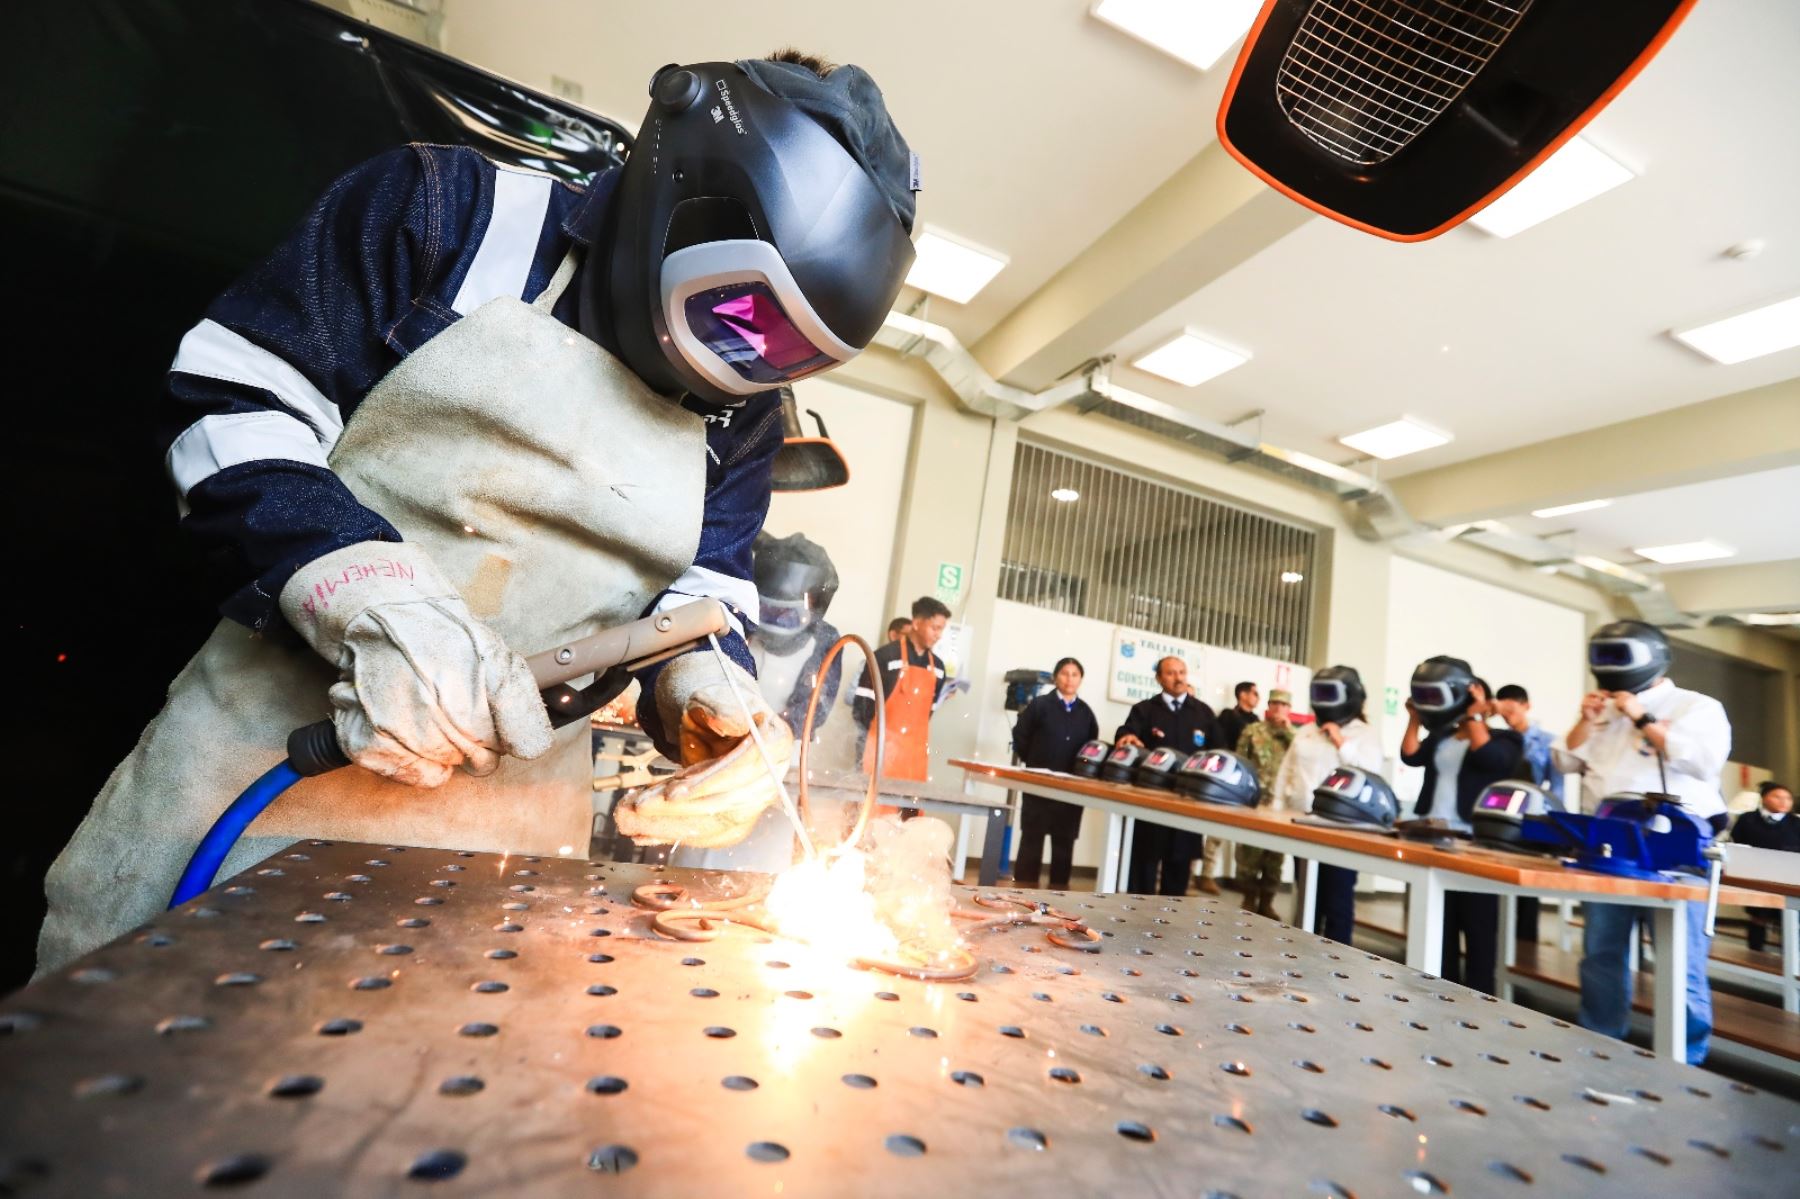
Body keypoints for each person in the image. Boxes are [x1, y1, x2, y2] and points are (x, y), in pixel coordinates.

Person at [35, 51, 920, 974]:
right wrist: (373, 597)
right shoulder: (448, 213)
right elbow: (232, 396)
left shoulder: (743, 415)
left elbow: (706, 591)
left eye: (788, 357)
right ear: (686, 184)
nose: (745, 363)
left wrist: (711, 694)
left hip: (505, 860)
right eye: (742, 309)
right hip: (253, 790)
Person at [1566, 620, 1730, 1065]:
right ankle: (1600, 1043)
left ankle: (1686, 1058)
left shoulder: (1697, 706)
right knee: (1601, 952)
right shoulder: (1605, 710)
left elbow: (1703, 762)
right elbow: (1568, 758)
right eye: (1603, 656)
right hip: (1608, 846)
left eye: (1618, 656)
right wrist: (1588, 720)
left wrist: (1642, 717)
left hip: (1677, 850)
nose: (1608, 666)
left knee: (1681, 961)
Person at [1400, 661, 1522, 994]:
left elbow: (1489, 760)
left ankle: (1480, 996)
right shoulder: (1442, 736)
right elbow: (1410, 756)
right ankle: (1440, 990)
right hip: (1434, 835)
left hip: (1476, 842)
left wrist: (1475, 714)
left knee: (1479, 926)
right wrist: (1414, 718)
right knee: (1439, 923)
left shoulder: (1506, 739)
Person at [1276, 666, 1384, 942]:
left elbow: (1369, 773)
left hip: (1343, 830)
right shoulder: (1306, 731)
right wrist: (1276, 807)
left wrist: (1340, 739)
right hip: (1303, 822)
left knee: (1337, 897)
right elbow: (1287, 769)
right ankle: (1304, 953)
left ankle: (1337, 961)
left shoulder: (1365, 734)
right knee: (1307, 896)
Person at [1115, 656, 1223, 896]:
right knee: (1143, 871)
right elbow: (1127, 732)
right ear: (1159, 678)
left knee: (1178, 875)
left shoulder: (1203, 713)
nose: (1178, 678)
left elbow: (1219, 751)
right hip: (1150, 803)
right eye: (1171, 673)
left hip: (1187, 804)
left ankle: (1169, 929)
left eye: (1182, 672)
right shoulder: (1145, 709)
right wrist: (1126, 737)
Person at [1010, 658, 1099, 890]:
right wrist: (1036, 761)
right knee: (1032, 838)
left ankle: (1060, 896)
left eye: (1075, 674)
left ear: (1081, 679)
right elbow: (1020, 736)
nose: (1069, 679)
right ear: (1055, 677)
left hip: (1070, 788)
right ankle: (1023, 893)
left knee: (1064, 843)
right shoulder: (1040, 705)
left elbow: (1093, 746)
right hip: (1039, 783)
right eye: (1064, 673)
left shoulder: (1086, 712)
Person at [748, 532, 842, 738]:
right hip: (729, 739)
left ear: (811, 608)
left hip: (787, 752)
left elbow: (815, 708)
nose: (775, 620)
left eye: (785, 614)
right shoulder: (740, 621)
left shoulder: (826, 640)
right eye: (766, 610)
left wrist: (777, 730)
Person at [854, 596, 951, 780]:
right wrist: (881, 742)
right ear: (916, 623)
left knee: (909, 807)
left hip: (914, 755)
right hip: (880, 750)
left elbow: (928, 712)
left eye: (941, 629)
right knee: (872, 806)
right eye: (935, 628)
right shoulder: (884, 657)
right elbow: (862, 708)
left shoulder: (938, 668)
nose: (938, 635)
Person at [1493, 683, 1561, 943]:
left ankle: (1525, 943)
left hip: (1532, 816)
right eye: (1503, 711)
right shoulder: (1498, 739)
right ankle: (1500, 940)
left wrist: (1554, 823)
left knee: (1527, 888)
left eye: (1512, 709)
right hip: (1499, 812)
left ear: (1526, 706)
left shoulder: (1547, 741)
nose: (1508, 716)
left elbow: (1556, 787)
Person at [1234, 689, 1294, 917]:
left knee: (1275, 858)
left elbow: (1303, 761)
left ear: (1289, 709)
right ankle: (1248, 898)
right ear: (1268, 707)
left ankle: (1267, 901)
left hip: (1282, 806)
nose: (1279, 708)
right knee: (1249, 853)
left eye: (1284, 705)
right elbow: (1240, 762)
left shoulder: (1295, 737)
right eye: (1275, 704)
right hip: (1255, 802)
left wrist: (1288, 732)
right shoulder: (1253, 731)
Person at [1201, 680, 1262, 893]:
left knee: (1241, 831)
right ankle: (1206, 874)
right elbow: (1218, 743)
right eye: (1254, 693)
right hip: (1227, 778)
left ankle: (1239, 876)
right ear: (1243, 695)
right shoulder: (1228, 716)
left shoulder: (1256, 721)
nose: (1258, 697)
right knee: (1217, 830)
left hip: (1248, 781)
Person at [1729, 782, 1795, 952]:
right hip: (1757, 875)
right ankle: (1755, 953)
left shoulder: (1796, 823)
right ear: (1764, 798)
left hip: (1788, 877)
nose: (1783, 802)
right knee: (1758, 916)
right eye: (1777, 797)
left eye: (1788, 798)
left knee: (1789, 917)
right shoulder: (1747, 819)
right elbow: (1737, 842)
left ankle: (1790, 958)